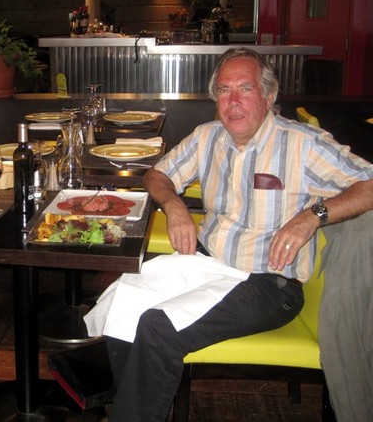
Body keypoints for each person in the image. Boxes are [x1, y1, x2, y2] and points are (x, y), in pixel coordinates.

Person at [104, 47, 373, 422]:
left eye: (245, 89)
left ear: (269, 96)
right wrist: (174, 205)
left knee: (158, 327)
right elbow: (157, 175)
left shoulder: (302, 143)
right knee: (124, 298)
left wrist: (313, 216)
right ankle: (133, 402)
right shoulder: (208, 136)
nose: (233, 102)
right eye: (224, 91)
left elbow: (370, 183)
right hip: (209, 266)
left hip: (268, 284)